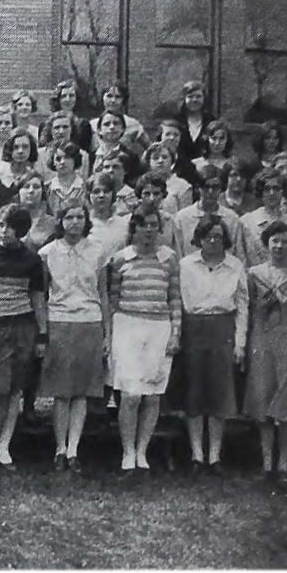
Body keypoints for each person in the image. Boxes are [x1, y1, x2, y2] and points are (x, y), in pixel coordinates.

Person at [0, 205, 48, 470]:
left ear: (21, 230)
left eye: (10, 227)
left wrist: (42, 335)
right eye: (1, 225)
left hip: (23, 327)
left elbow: (37, 299)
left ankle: (4, 445)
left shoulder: (32, 260)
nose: (4, 231)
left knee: (15, 389)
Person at [108, 203, 182, 475]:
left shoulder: (169, 259)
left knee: (152, 395)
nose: (149, 230)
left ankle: (142, 452)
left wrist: (175, 333)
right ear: (134, 228)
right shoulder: (121, 259)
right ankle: (127, 451)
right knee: (130, 395)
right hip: (127, 325)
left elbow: (174, 298)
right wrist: (111, 335)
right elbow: (113, 300)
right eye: (143, 225)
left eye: (154, 225)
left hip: (159, 327)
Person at [38, 201, 108, 473]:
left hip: (89, 321)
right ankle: (60, 448)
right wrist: (43, 331)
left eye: (80, 217)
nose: (75, 222)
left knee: (82, 391)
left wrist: (106, 331)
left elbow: (103, 293)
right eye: (69, 217)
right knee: (62, 391)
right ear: (61, 221)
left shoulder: (98, 251)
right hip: (60, 321)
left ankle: (74, 450)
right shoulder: (47, 253)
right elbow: (42, 295)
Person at [244, 221, 287, 485]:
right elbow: (250, 309)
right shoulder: (254, 273)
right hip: (262, 339)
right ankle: (266, 464)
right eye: (275, 240)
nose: (279, 246)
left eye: (285, 241)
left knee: (286, 401)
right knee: (263, 397)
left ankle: (284, 465)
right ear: (267, 243)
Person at [179, 216, 249, 475]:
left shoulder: (235, 266)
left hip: (223, 329)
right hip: (193, 328)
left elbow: (243, 306)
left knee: (220, 393)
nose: (213, 241)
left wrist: (240, 343)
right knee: (194, 392)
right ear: (199, 239)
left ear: (225, 239)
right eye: (208, 236)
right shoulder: (186, 265)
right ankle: (197, 454)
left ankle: (214, 456)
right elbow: (178, 302)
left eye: (218, 236)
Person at [173, 164, 247, 262]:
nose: (210, 191)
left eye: (215, 187)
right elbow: (177, 253)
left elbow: (239, 254)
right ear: (198, 188)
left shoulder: (232, 218)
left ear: (221, 188)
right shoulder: (183, 217)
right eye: (206, 187)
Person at [88, 84, 149, 157]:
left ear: (123, 100)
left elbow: (149, 147)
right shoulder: (92, 124)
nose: (113, 100)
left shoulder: (133, 124)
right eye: (109, 96)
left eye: (118, 97)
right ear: (102, 98)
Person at [170, 81, 216, 166]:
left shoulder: (211, 121)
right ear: (184, 99)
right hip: (178, 168)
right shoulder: (175, 121)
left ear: (204, 99)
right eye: (190, 96)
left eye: (198, 96)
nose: (194, 100)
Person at [87, 172, 130, 262]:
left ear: (113, 194)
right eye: (96, 191)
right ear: (89, 195)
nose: (101, 195)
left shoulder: (124, 224)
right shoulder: (84, 224)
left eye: (106, 191)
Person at [37, 112, 90, 181]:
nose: (61, 131)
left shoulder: (83, 155)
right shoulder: (39, 155)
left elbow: (83, 182)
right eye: (57, 128)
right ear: (50, 130)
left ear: (72, 130)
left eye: (65, 127)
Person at [0, 131, 40, 207]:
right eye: (16, 147)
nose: (20, 151)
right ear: (10, 149)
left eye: (25, 147)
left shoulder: (34, 176)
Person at [143, 142, 193, 214]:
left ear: (172, 161)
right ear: (149, 162)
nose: (160, 161)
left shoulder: (182, 186)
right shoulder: (143, 183)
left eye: (165, 157)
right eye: (155, 158)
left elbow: (185, 216)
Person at [45, 141, 88, 217]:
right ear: (53, 162)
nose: (62, 162)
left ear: (75, 159)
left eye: (67, 157)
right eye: (58, 159)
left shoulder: (86, 187)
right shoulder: (47, 188)